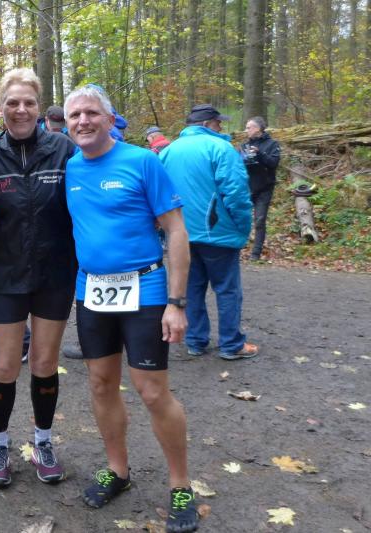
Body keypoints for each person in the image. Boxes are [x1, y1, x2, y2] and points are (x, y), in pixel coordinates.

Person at [63, 85, 199, 533]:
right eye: (74, 115)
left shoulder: (142, 161)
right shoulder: (70, 168)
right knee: (101, 384)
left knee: (153, 392)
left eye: (91, 113)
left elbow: (176, 231)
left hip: (145, 291)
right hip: (92, 293)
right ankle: (117, 470)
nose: (83, 121)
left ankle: (180, 485)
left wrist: (177, 303)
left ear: (109, 118)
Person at [0, 68, 78, 488]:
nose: (21, 110)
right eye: (12, 102)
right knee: (4, 365)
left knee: (43, 362)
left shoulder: (63, 149)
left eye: (29, 103)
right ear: (0, 108)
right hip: (4, 274)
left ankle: (43, 442)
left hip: (55, 272)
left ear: (40, 108)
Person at [159, 104, 257, 360]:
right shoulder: (221, 148)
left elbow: (158, 193)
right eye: (217, 122)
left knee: (191, 289)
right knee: (227, 289)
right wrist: (243, 227)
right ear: (205, 124)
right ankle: (231, 344)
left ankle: (195, 340)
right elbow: (236, 193)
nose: (220, 126)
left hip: (180, 235)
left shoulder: (168, 152)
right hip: (217, 234)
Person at [241, 116, 280, 261]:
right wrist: (244, 159)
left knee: (260, 219)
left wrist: (259, 154)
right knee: (241, 217)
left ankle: (255, 253)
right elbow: (239, 164)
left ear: (258, 129)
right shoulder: (245, 145)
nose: (246, 130)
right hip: (247, 187)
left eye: (248, 127)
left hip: (265, 188)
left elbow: (273, 163)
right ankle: (237, 247)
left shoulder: (272, 144)